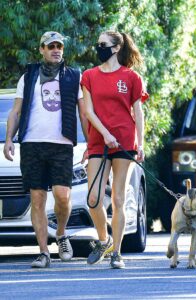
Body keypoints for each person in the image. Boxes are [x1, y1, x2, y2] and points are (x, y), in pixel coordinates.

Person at [3, 31, 87, 268]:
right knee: (37, 198)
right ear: (41, 49)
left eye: (59, 46)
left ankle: (60, 234)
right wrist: (9, 138)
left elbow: (83, 113)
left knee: (63, 196)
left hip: (61, 145)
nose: (56, 50)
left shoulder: (73, 76)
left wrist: (90, 144)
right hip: (31, 144)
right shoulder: (28, 76)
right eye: (51, 46)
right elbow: (16, 111)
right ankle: (43, 252)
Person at [81, 30, 148, 269]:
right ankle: (104, 239)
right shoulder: (89, 75)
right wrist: (105, 133)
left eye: (103, 44)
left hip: (125, 142)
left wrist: (140, 143)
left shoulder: (131, 77)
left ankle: (117, 253)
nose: (98, 47)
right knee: (93, 198)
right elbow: (88, 111)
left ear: (116, 48)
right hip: (99, 141)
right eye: (97, 43)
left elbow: (138, 113)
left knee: (119, 198)